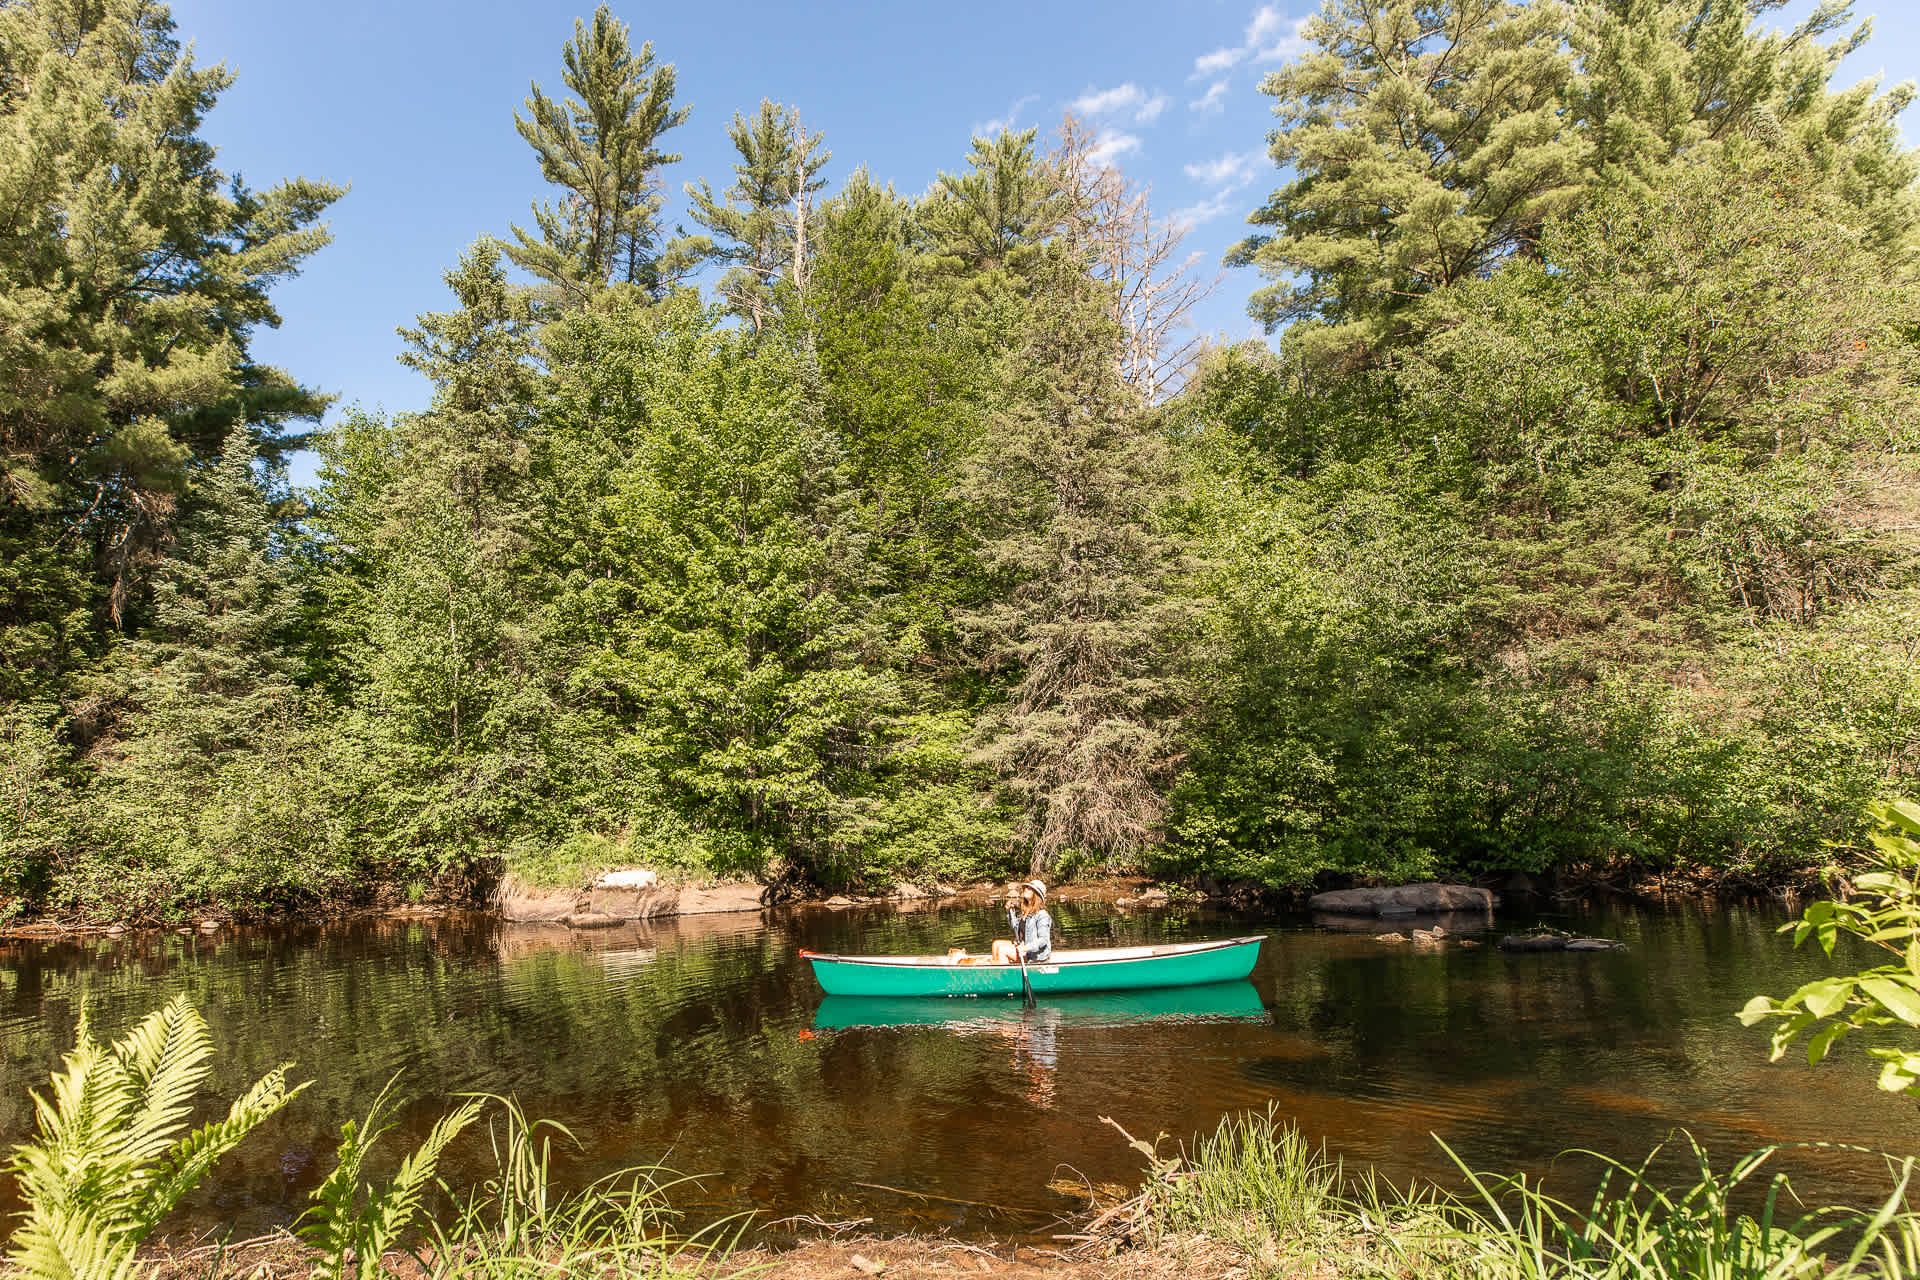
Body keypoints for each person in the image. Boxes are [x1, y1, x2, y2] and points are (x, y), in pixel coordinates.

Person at [990, 880, 1052, 965]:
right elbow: (1014, 926)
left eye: (1029, 888)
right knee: (996, 944)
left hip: (1034, 955)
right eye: (1025, 887)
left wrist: (1025, 948)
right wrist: (1010, 912)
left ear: (1036, 894)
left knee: (1002, 950)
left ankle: (1003, 975)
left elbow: (1043, 940)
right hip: (1023, 947)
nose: (1026, 889)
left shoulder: (1042, 915)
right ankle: (997, 967)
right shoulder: (1026, 911)